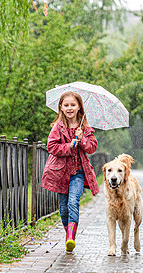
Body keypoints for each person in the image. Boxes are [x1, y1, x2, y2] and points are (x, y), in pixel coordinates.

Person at [41, 91, 99, 252]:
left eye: (73, 105)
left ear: (79, 107)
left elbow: (92, 148)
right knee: (63, 207)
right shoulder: (57, 128)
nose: (69, 108)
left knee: (73, 202)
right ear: (60, 107)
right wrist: (69, 146)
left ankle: (70, 238)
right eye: (66, 105)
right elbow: (51, 147)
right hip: (59, 173)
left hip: (78, 173)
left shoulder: (85, 129)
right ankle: (69, 234)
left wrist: (82, 140)